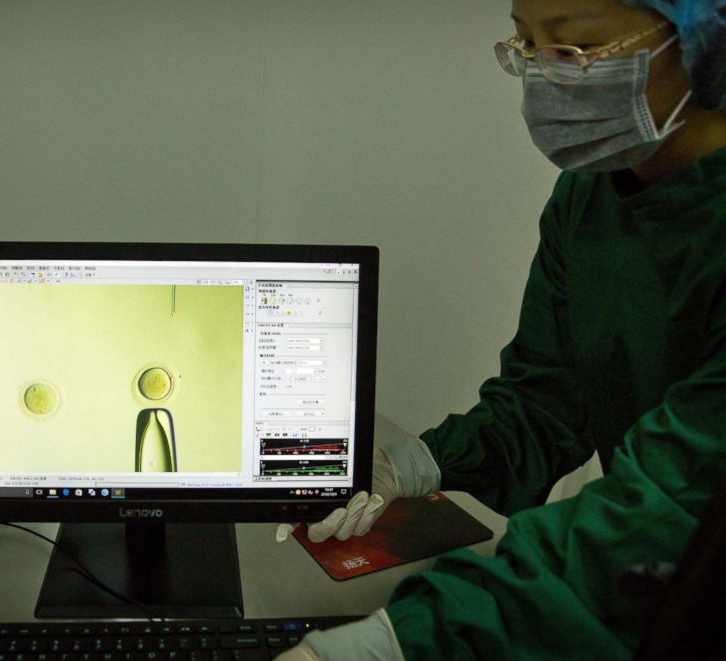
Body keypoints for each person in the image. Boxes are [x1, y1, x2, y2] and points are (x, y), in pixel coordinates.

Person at [276, 0, 726, 657]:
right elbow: (548, 401)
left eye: (571, 50)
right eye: (524, 44)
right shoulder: (592, 193)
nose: (540, 76)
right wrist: (411, 465)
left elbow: (674, 503)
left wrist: (396, 641)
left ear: (704, 41)